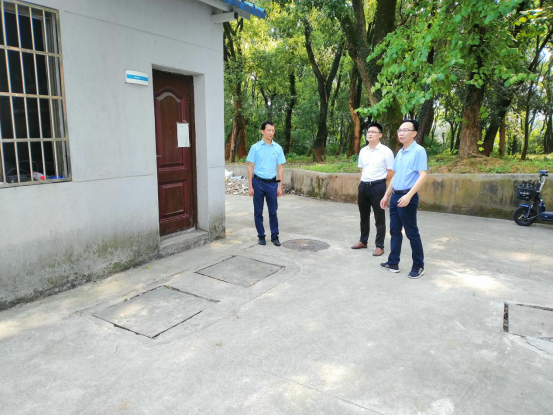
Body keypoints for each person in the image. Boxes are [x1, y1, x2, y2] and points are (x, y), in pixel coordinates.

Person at [379, 119, 428, 278]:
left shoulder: (419, 151)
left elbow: (423, 176)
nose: (401, 133)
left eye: (405, 130)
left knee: (411, 232)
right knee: (394, 231)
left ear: (414, 133)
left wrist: (409, 195)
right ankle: (393, 262)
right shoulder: (400, 152)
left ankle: (418, 265)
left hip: (407, 197)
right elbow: (395, 176)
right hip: (395, 196)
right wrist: (386, 195)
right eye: (400, 130)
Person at [351, 122, 394, 256]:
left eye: (373, 132)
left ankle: (379, 246)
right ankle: (363, 241)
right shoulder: (363, 151)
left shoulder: (386, 151)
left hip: (378, 187)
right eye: (368, 132)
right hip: (363, 186)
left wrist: (379, 182)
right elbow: (362, 169)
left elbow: (391, 172)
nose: (370, 134)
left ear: (380, 135)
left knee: (379, 217)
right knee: (363, 215)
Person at [247, 121, 286, 246]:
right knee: (258, 211)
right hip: (258, 182)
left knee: (273, 211)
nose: (271, 133)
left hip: (272, 183)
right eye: (269, 130)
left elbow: (280, 168)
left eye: (273, 130)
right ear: (262, 131)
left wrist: (279, 186)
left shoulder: (278, 148)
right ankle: (261, 236)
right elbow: (250, 167)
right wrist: (250, 186)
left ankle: (275, 236)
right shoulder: (255, 148)